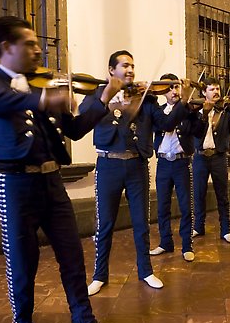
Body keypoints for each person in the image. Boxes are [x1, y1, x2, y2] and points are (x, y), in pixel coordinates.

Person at [0, 15, 120, 323]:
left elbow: (76, 129)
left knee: (72, 255)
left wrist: (105, 96)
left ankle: (85, 322)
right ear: (7, 47)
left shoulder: (42, 87)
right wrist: (40, 100)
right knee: (21, 261)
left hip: (52, 181)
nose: (38, 50)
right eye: (30, 44)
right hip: (15, 184)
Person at [79, 50, 193, 294]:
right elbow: (84, 118)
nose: (130, 70)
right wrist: (109, 99)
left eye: (133, 66)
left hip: (136, 165)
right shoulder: (98, 94)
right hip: (108, 164)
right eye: (124, 66)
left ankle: (146, 271)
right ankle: (99, 275)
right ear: (111, 70)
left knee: (141, 223)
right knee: (105, 224)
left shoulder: (147, 99)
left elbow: (166, 124)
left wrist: (182, 102)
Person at [149, 73, 203, 262]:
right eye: (170, 87)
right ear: (163, 91)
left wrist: (194, 111)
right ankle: (165, 242)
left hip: (181, 162)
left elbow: (199, 131)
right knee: (162, 206)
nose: (174, 90)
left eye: (177, 87)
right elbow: (161, 126)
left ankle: (187, 245)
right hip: (163, 162)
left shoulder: (188, 110)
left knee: (185, 205)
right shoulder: (157, 111)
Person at [192, 77, 230, 243]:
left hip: (218, 157)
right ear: (204, 92)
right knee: (199, 193)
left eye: (217, 89)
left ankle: (225, 229)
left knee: (222, 195)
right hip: (200, 157)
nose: (216, 92)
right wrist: (205, 114)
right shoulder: (196, 111)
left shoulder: (227, 110)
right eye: (212, 89)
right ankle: (198, 227)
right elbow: (194, 132)